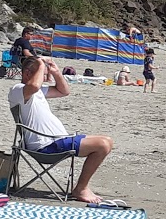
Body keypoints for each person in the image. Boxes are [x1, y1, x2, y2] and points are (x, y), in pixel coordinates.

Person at [9, 55, 119, 205]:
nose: (45, 78)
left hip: (56, 141)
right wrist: (41, 64)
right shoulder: (18, 90)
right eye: (42, 75)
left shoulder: (37, 91)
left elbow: (64, 91)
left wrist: (55, 72)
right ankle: (81, 188)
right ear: (27, 73)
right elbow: (34, 86)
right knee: (103, 144)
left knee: (107, 141)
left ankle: (82, 187)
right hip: (46, 146)